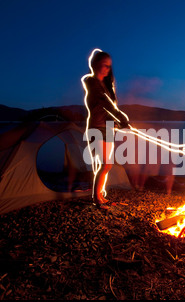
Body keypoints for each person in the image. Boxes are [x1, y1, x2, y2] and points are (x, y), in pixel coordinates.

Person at [81, 49, 130, 209]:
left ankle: (99, 195)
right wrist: (121, 117)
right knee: (105, 164)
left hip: (108, 128)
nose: (106, 69)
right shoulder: (91, 81)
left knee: (105, 165)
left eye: (108, 66)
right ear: (94, 64)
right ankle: (96, 198)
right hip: (96, 127)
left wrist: (118, 123)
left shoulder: (108, 86)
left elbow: (109, 105)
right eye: (103, 65)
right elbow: (104, 102)